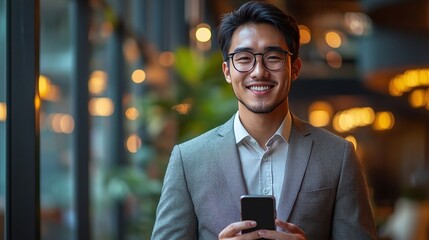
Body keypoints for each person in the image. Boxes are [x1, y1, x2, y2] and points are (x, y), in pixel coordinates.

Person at [151, 1, 377, 239]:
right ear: (227, 71)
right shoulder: (188, 160)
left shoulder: (337, 155)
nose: (259, 71)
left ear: (295, 68)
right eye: (244, 58)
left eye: (273, 57)